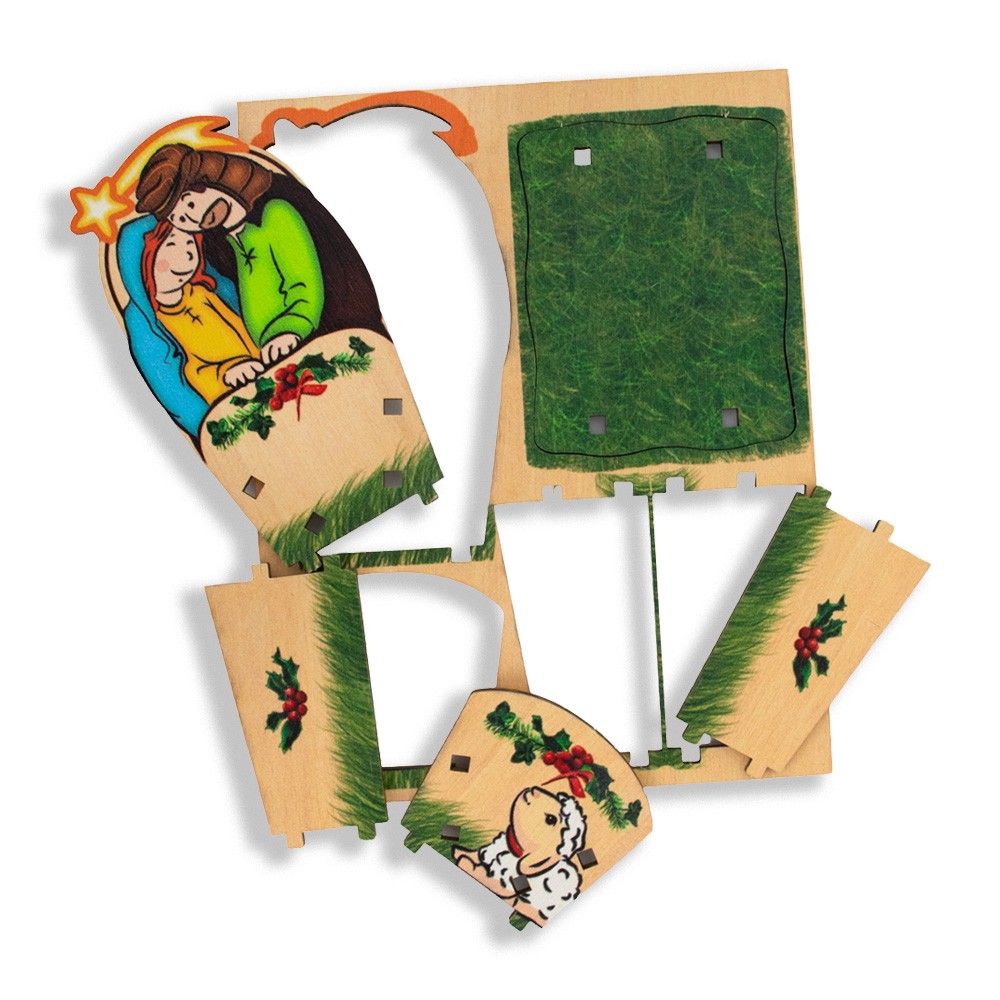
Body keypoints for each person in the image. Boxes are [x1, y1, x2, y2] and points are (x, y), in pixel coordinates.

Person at [134, 144, 389, 368]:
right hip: (276, 355)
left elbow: (303, 283)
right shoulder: (223, 246)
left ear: (213, 176)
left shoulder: (275, 212)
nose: (195, 217)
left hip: (319, 339)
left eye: (191, 203)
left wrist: (291, 329)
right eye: (180, 218)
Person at [139, 220, 263, 405]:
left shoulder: (200, 293)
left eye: (190, 244)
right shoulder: (159, 322)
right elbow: (192, 369)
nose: (186, 255)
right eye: (171, 244)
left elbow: (237, 325)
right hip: (229, 390)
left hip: (257, 369)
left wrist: (259, 358)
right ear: (150, 255)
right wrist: (225, 375)